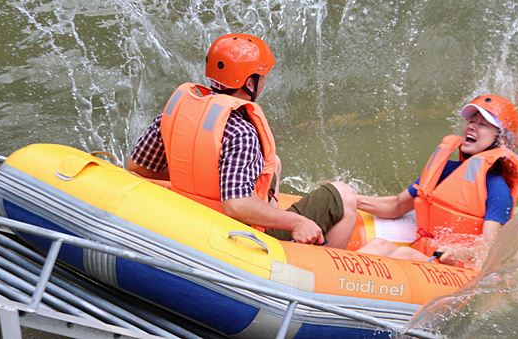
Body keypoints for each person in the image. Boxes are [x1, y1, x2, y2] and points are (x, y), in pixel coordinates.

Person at [128, 33, 357, 248]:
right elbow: (236, 204)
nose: (264, 82)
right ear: (249, 83)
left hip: (192, 217)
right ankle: (322, 266)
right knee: (343, 195)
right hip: (238, 235)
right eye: (262, 77)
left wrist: (196, 180)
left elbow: (139, 168)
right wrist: (296, 222)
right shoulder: (241, 131)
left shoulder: (177, 113)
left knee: (272, 162)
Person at [356, 95, 518, 266]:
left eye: (483, 125)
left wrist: (459, 253)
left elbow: (490, 248)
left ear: (501, 139)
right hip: (426, 254)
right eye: (472, 121)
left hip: (458, 265)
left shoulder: (498, 190)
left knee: (403, 254)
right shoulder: (443, 170)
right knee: (379, 245)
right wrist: (355, 200)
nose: (472, 127)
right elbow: (397, 206)